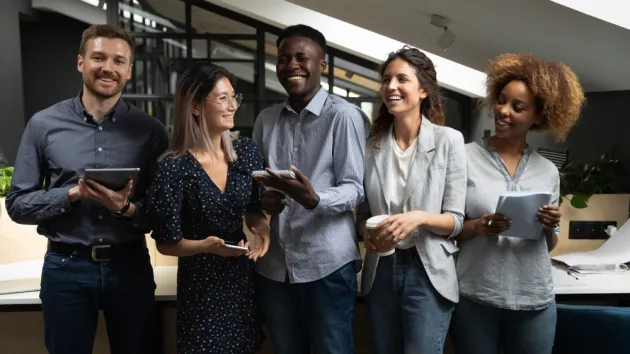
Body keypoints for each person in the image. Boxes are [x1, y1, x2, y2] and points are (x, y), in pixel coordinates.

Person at [5, 25, 168, 354]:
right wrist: (72, 195)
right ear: (81, 62)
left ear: (129, 70)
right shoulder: (43, 124)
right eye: (98, 57)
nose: (108, 67)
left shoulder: (150, 131)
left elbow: (163, 213)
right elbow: (18, 204)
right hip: (65, 268)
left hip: (130, 268)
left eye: (118, 61)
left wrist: (124, 208)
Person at [450, 53, 585, 354]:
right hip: (475, 296)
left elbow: (548, 245)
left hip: (534, 299)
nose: (503, 111)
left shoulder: (548, 171)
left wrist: (550, 226)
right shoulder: (463, 157)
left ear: (538, 116)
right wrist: (479, 225)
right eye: (501, 100)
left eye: (517, 107)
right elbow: (449, 229)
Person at [251, 24, 369, 354]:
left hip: (327, 265)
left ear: (323, 65)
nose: (292, 65)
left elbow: (355, 189)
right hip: (274, 267)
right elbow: (258, 185)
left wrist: (315, 198)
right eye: (284, 58)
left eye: (302, 57)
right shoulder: (266, 119)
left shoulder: (345, 116)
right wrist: (265, 200)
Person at [147, 62, 270, 354]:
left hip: (241, 285)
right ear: (195, 106)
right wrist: (206, 246)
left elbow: (253, 209)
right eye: (223, 98)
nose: (232, 106)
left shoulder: (247, 153)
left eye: (234, 97)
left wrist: (261, 228)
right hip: (201, 289)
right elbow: (166, 243)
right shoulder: (173, 167)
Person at [355, 46, 467, 354]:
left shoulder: (449, 141)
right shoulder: (370, 147)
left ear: (423, 91)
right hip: (380, 269)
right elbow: (363, 214)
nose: (391, 86)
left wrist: (418, 217)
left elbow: (456, 221)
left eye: (401, 79)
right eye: (387, 79)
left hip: (428, 270)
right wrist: (368, 231)